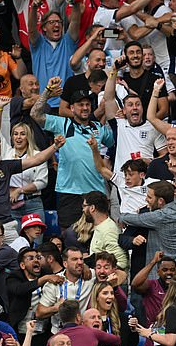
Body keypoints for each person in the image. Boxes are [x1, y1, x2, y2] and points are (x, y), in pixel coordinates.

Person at [31, 76, 114, 230]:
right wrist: (47, 92)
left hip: (96, 192)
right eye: (80, 104)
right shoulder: (62, 123)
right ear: (72, 108)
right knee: (69, 236)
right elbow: (35, 114)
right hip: (69, 191)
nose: (84, 108)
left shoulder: (99, 128)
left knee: (98, 237)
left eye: (88, 104)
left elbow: (113, 143)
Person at [0, 131, 64, 242]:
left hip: (7, 225)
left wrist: (55, 146)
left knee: (20, 255)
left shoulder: (5, 166)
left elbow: (36, 160)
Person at [28, 0, 82, 108]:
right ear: (44, 27)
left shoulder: (68, 42)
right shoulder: (38, 44)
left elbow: (75, 22)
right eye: (52, 22)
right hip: (43, 103)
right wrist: (33, 8)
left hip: (66, 104)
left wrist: (76, 4)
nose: (56, 25)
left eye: (59, 22)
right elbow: (32, 29)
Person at [6, 247, 64, 346]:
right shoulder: (14, 277)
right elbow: (19, 290)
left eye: (37, 257)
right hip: (21, 332)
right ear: (22, 265)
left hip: (43, 331)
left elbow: (63, 273)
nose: (36, 260)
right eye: (31, 258)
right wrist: (43, 279)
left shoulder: (46, 272)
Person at [36, 247, 95, 333]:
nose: (80, 262)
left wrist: (86, 266)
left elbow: (119, 274)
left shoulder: (90, 275)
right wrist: (57, 308)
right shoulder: (55, 283)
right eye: (75, 259)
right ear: (65, 264)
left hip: (83, 331)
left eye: (81, 259)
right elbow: (39, 313)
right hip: (60, 332)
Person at [3, 123, 48, 227]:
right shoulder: (6, 153)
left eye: (23, 134)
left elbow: (42, 182)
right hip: (11, 205)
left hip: (32, 203)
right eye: (15, 134)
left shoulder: (38, 155)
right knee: (14, 242)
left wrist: (19, 190)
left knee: (36, 242)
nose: (18, 137)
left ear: (28, 137)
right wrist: (0, 109)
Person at [81, 191, 128, 270]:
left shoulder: (109, 230)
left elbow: (121, 262)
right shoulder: (101, 227)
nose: (83, 210)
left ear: (92, 208)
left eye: (84, 206)